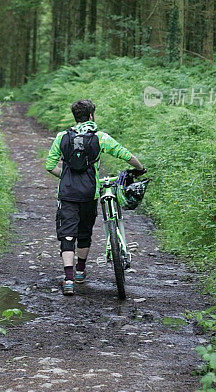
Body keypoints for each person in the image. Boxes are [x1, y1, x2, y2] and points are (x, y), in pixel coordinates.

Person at [45, 99, 145, 295]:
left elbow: (50, 165)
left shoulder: (61, 137)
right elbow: (124, 153)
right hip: (90, 193)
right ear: (91, 115)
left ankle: (68, 279)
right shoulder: (100, 137)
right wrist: (140, 168)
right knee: (84, 232)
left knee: (67, 234)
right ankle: (80, 270)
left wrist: (64, 176)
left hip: (66, 194)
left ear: (75, 117)